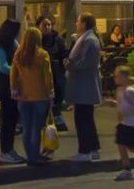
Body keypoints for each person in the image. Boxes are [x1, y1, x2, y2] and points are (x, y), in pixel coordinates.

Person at [10, 27, 54, 166]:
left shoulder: (19, 54)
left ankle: (30, 156)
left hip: (23, 96)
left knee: (27, 128)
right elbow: (48, 76)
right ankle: (35, 157)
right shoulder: (42, 54)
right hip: (40, 96)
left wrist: (13, 90)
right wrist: (50, 93)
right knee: (36, 128)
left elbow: (13, 74)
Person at [65, 13, 102, 162]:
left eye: (78, 21)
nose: (76, 23)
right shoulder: (86, 39)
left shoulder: (89, 40)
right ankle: (93, 149)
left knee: (82, 119)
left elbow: (86, 62)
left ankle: (85, 151)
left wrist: (70, 65)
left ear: (85, 24)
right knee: (86, 118)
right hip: (85, 86)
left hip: (85, 86)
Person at [0, 19, 25, 164]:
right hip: (6, 87)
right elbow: (3, 67)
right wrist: (18, 71)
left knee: (12, 119)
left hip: (12, 86)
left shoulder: (12, 43)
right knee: (8, 120)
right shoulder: (0, 46)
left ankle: (9, 149)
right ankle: (5, 150)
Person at [37, 15, 69, 131]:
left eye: (49, 25)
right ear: (38, 25)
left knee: (56, 97)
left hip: (56, 73)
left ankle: (57, 118)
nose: (47, 27)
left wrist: (65, 60)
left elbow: (64, 53)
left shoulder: (57, 39)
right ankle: (44, 120)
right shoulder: (36, 39)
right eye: (44, 25)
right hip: (40, 75)